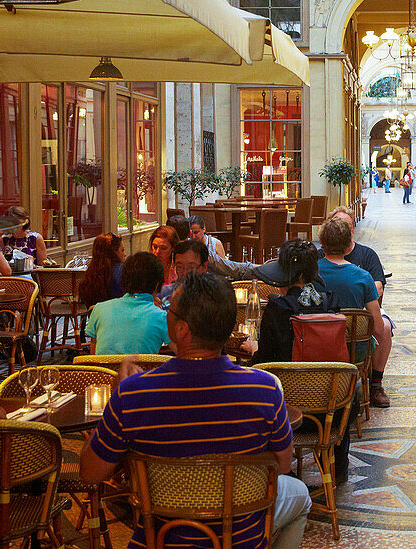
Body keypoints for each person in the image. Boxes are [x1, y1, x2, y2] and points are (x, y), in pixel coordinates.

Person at [78, 272, 311, 549]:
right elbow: (283, 465)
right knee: (300, 495)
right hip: (239, 538)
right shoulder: (265, 390)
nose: (164, 312)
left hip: (161, 540)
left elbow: (89, 473)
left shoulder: (133, 394)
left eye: (168, 309)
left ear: (182, 329)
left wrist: (115, 401)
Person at [249, 240, 357, 483]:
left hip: (289, 415)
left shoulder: (278, 309)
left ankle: (276, 470)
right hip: (331, 415)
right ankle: (339, 465)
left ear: (292, 274)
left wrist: (253, 351)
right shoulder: (329, 302)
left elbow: (265, 363)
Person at [317, 218, 391, 408]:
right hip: (354, 350)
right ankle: (374, 383)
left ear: (322, 243)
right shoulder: (362, 277)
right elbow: (377, 327)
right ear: (348, 243)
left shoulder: (311, 272)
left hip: (318, 345)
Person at [84, 252, 168, 355]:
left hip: (105, 370)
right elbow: (181, 352)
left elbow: (94, 359)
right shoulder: (162, 317)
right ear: (157, 285)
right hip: (143, 370)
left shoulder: (99, 309)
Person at [187, 214, 256, 279]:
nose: (193, 236)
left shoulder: (215, 243)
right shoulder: (187, 245)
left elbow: (225, 268)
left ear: (204, 229)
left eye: (196, 232)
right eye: (190, 233)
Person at [79, 232, 126, 309]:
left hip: (97, 319)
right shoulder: (121, 272)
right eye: (122, 250)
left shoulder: (89, 277)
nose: (125, 254)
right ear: (114, 252)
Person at [0, 205, 47, 271]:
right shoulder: (4, 239)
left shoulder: (35, 238)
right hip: (10, 278)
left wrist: (32, 266)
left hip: (30, 278)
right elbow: (0, 263)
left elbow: (43, 267)